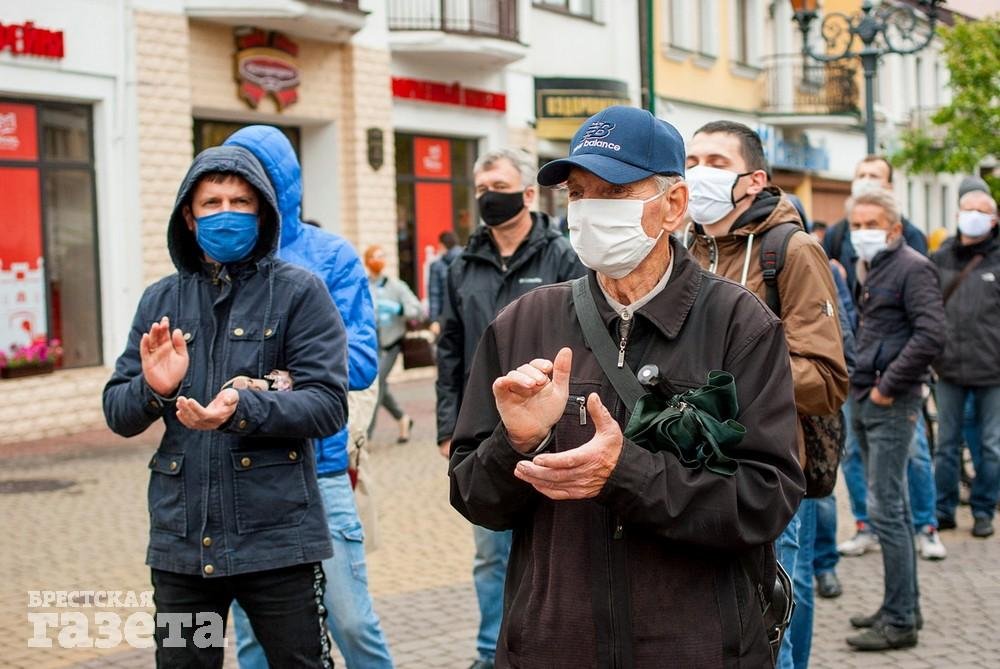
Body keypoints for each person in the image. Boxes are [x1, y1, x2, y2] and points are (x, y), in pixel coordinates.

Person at [449, 106, 805, 667]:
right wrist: (513, 445)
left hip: (694, 649)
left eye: (613, 191)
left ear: (674, 205)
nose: (590, 210)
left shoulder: (739, 323)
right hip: (554, 649)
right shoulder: (523, 322)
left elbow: (765, 501)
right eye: (578, 193)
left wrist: (625, 473)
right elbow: (473, 497)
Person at [103, 145, 348, 667]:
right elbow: (118, 414)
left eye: (240, 201)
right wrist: (156, 390)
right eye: (211, 202)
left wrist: (243, 407)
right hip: (182, 544)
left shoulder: (301, 293)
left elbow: (327, 406)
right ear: (188, 218)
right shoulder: (159, 300)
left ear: (262, 214)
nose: (226, 212)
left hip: (279, 537)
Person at [222, 126, 393, 668]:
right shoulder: (216, 265)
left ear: (282, 185)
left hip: (319, 468)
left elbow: (362, 363)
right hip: (245, 473)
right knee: (253, 639)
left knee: (351, 621)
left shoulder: (330, 257)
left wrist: (274, 380)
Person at [684, 120, 848, 669]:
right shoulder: (681, 246)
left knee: (773, 617)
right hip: (693, 469)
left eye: (714, 162)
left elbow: (825, 380)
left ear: (753, 180)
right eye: (690, 161)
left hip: (769, 467)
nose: (697, 173)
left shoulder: (791, 250)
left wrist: (728, 379)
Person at [435, 147, 584, 669]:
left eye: (497, 186)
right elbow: (450, 348)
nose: (487, 198)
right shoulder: (462, 265)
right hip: (486, 428)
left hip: (555, 425)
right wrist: (448, 425)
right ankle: (488, 651)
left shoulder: (562, 255)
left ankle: (549, 642)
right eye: (479, 190)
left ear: (526, 193)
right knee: (489, 551)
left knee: (553, 545)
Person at [844, 189, 945, 651]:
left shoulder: (913, 267)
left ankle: (900, 620)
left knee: (887, 510)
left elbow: (930, 335)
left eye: (871, 224)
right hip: (866, 394)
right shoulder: (875, 268)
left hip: (891, 401)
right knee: (893, 510)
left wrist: (887, 387)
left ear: (894, 228)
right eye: (857, 224)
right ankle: (901, 607)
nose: (862, 232)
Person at [932, 188, 1000, 539]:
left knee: (991, 445)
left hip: (992, 372)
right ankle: (944, 509)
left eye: (980, 210)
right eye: (966, 209)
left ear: (993, 220)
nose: (971, 215)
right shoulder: (941, 257)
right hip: (949, 369)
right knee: (946, 444)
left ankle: (984, 509)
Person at [366, 245, 421, 443]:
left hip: (392, 343)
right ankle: (402, 419)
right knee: (381, 385)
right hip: (372, 344)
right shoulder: (363, 285)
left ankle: (366, 435)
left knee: (377, 382)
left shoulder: (396, 286)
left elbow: (417, 309)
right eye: (374, 256)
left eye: (381, 256)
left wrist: (398, 309)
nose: (377, 260)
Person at [428, 231, 463, 337]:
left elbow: (435, 294)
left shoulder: (437, 266)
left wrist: (434, 320)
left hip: (446, 318)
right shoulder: (468, 261)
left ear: (441, 245)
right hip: (466, 316)